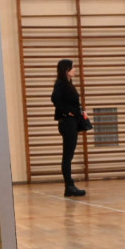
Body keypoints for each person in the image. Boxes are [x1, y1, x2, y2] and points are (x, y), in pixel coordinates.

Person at [50, 58, 87, 196]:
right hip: (67, 122)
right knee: (67, 156)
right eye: (73, 67)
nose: (75, 69)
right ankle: (69, 185)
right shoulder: (61, 83)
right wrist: (67, 111)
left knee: (69, 155)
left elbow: (72, 101)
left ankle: (69, 186)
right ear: (66, 70)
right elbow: (54, 98)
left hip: (71, 121)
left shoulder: (68, 83)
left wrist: (80, 110)